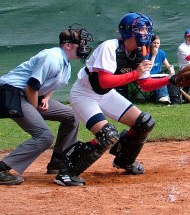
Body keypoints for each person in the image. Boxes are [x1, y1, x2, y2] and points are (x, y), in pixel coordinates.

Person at [54, 12, 174, 186]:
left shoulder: (141, 52)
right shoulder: (109, 47)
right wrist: (136, 73)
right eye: (140, 29)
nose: (144, 33)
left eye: (146, 29)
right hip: (84, 95)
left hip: (106, 94)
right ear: (127, 32)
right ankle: (65, 171)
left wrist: (171, 80)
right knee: (108, 135)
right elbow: (104, 80)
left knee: (144, 122)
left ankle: (124, 160)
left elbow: (145, 84)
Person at [0, 26, 93, 185]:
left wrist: (45, 98)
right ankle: (2, 168)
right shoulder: (52, 57)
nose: (84, 46)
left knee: (71, 116)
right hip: (12, 93)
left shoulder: (66, 65)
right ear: (67, 45)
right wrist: (35, 106)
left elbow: (48, 86)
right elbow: (31, 86)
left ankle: (59, 162)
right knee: (44, 136)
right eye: (81, 42)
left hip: (28, 94)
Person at [147, 34, 175, 105]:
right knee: (161, 77)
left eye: (158, 43)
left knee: (170, 77)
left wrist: (171, 69)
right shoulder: (147, 53)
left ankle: (170, 97)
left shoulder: (161, 53)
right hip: (149, 75)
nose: (156, 45)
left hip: (158, 74)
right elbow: (148, 69)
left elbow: (168, 65)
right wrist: (153, 55)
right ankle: (163, 97)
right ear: (151, 43)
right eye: (154, 43)